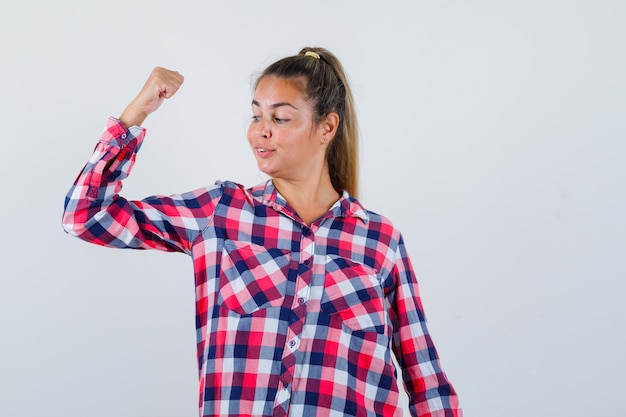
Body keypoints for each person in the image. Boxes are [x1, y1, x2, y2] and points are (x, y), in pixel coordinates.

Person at [62, 47, 461, 417]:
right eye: (256, 116)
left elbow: (427, 382)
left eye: (280, 118)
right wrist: (137, 112)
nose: (260, 131)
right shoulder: (220, 213)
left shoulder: (378, 240)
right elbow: (85, 215)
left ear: (327, 127)